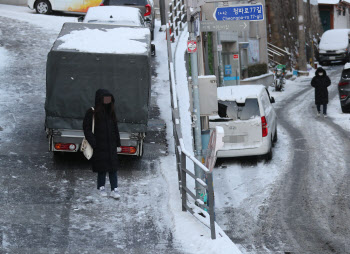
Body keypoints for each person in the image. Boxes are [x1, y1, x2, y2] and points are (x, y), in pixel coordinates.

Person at [83, 89, 121, 199]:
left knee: (113, 168)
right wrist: (94, 143)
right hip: (100, 145)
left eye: (109, 99)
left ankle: (115, 189)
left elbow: (115, 128)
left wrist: (117, 143)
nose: (108, 101)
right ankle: (101, 187)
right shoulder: (92, 112)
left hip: (110, 145)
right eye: (105, 99)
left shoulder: (111, 112)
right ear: (100, 99)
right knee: (102, 168)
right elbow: (87, 128)